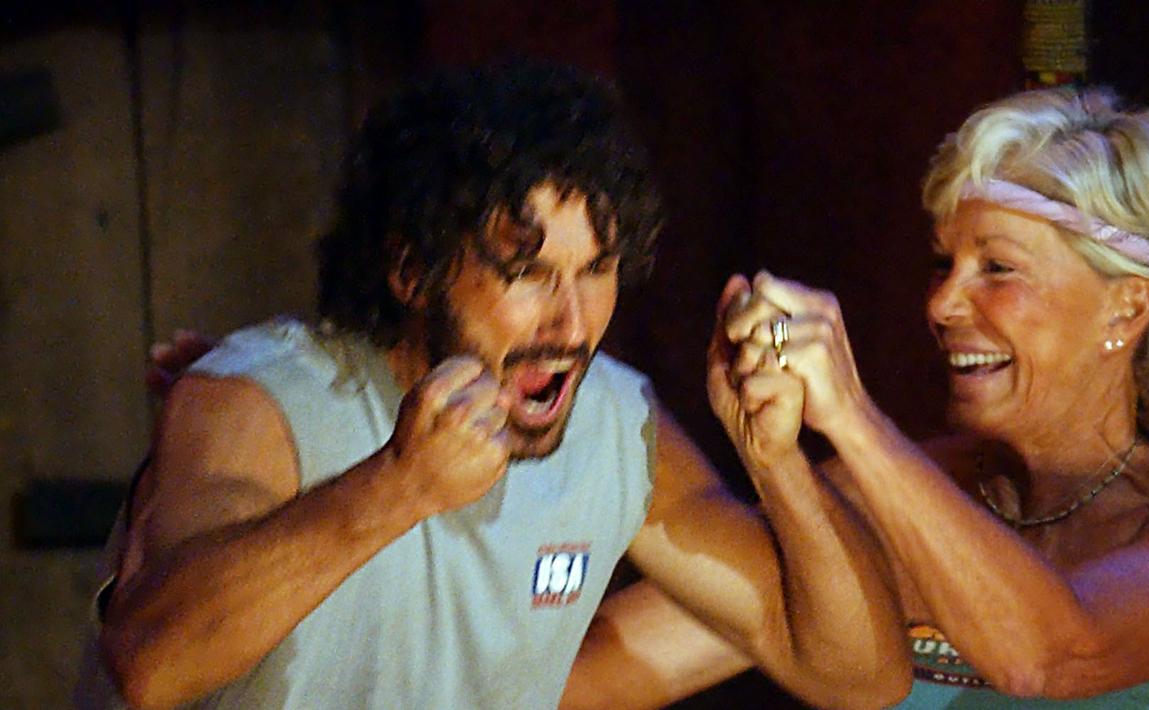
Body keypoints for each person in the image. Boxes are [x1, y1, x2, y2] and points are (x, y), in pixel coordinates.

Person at [75, 61, 908, 710]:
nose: (571, 323)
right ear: (412, 269)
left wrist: (776, 462)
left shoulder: (616, 425)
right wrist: (397, 487)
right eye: (527, 273)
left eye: (597, 269)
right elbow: (151, 665)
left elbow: (860, 678)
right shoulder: (255, 399)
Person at [574, 86, 1149, 708]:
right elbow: (596, 678)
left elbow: (1048, 658)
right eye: (945, 264)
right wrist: (568, 371)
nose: (942, 303)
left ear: (1126, 309)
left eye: (997, 268)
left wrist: (852, 417)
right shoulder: (872, 500)